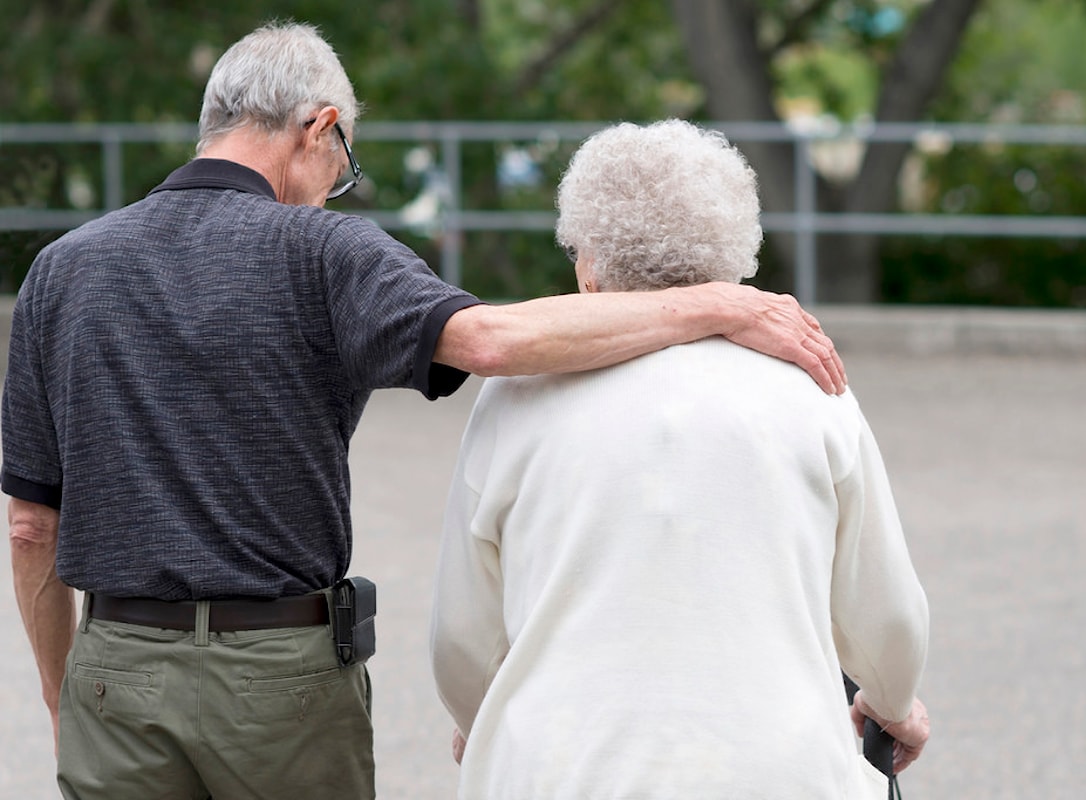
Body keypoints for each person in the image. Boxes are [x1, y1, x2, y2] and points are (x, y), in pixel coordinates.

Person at [2, 22, 846, 800]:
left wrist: (65, 688)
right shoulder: (324, 250)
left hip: (114, 670)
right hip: (276, 675)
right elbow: (489, 342)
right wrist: (715, 305)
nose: (336, 188)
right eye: (344, 163)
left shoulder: (63, 269)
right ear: (319, 126)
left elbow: (32, 525)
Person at [430, 119, 930, 799]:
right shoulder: (811, 383)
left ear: (590, 262)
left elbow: (462, 635)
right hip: (774, 770)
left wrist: (480, 716)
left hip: (563, 771)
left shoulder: (515, 399)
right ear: (734, 249)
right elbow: (886, 615)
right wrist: (893, 703)